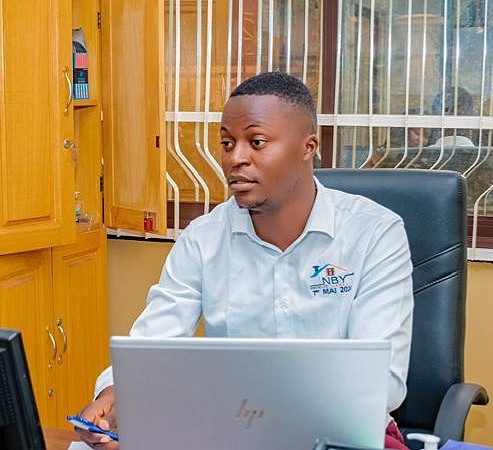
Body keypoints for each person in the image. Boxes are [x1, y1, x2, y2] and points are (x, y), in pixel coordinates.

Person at [76, 72, 414, 450]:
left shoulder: (374, 233)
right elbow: (152, 344)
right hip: (232, 427)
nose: (235, 158)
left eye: (256, 142)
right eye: (227, 143)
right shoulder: (203, 238)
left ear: (307, 147)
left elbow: (381, 383)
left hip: (340, 432)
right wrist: (114, 395)